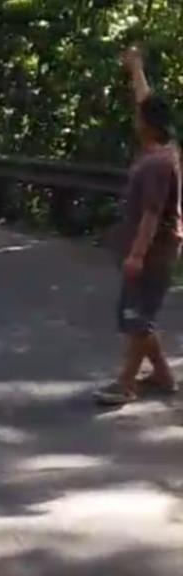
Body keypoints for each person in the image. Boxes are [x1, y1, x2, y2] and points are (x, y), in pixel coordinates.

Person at [94, 47, 182, 405]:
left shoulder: (158, 165)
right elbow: (146, 101)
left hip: (153, 251)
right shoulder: (164, 150)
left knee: (135, 315)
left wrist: (136, 254)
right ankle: (161, 375)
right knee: (139, 313)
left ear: (147, 125)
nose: (135, 118)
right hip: (154, 249)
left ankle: (126, 383)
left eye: (139, 117)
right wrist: (136, 69)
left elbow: (151, 212)